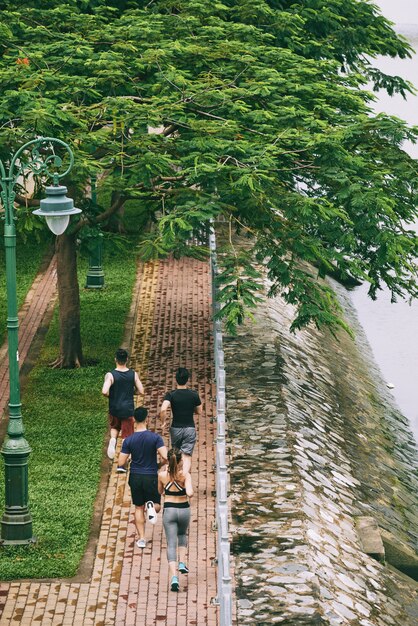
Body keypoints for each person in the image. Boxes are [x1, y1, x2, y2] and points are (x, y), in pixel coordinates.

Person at [118, 406, 168, 549]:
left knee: (138, 507)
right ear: (146, 419)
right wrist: (160, 464)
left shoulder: (129, 440)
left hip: (135, 476)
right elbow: (165, 456)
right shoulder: (155, 438)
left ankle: (141, 539)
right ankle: (151, 506)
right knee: (156, 505)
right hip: (151, 475)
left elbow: (121, 462)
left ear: (134, 419)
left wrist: (128, 461)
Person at [158, 448, 193, 592]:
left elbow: (160, 492)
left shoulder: (161, 475)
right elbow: (190, 493)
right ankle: (182, 563)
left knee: (171, 544)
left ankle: (174, 577)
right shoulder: (185, 475)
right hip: (184, 509)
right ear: (180, 461)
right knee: (182, 535)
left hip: (169, 510)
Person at [102, 348, 144, 460]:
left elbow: (104, 391)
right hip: (127, 409)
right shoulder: (133, 374)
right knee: (127, 434)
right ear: (127, 359)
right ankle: (126, 455)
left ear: (115, 359)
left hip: (114, 408)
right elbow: (141, 390)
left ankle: (113, 440)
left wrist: (110, 395)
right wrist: (133, 391)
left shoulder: (111, 375)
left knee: (115, 427)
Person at [160, 367, 202, 473]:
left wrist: (163, 421)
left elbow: (163, 409)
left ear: (176, 379)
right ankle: (184, 476)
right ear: (187, 379)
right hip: (189, 428)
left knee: (175, 453)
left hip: (176, 428)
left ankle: (173, 475)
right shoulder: (194, 395)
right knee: (186, 456)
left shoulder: (171, 394)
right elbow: (199, 411)